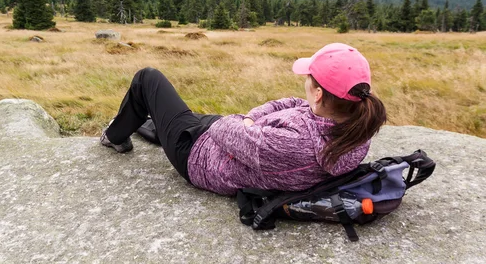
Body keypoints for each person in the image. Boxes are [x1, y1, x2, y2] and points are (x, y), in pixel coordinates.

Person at [101, 43, 387, 196]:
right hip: (232, 142)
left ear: (320, 94)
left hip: (199, 157)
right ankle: (150, 125)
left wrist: (244, 125)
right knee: (173, 114)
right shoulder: (355, 127)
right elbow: (289, 103)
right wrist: (250, 121)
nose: (304, 84)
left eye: (307, 80)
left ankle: (114, 138)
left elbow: (222, 127)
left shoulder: (293, 144)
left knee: (147, 78)